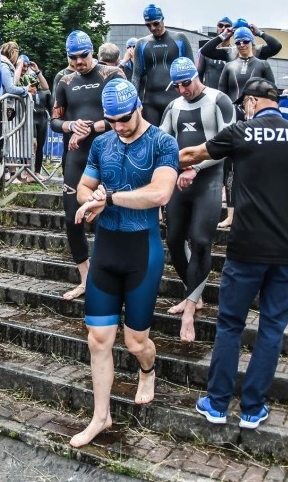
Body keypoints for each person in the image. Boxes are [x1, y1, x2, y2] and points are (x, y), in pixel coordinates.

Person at [181, 77, 288, 430]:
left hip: (247, 248)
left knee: (230, 325)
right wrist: (287, 228)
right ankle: (252, 409)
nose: (244, 109)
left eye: (245, 104)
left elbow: (195, 154)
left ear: (253, 102)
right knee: (272, 329)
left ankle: (216, 403)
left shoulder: (243, 131)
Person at [69, 79, 178, 447]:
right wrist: (92, 196)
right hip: (106, 251)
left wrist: (110, 198)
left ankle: (148, 369)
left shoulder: (163, 143)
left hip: (141, 252)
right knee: (98, 339)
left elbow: (160, 193)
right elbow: (84, 186)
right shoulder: (102, 143)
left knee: (135, 342)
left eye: (124, 118)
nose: (119, 126)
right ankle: (101, 416)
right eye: (112, 120)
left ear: (139, 108)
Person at [159, 58, 234, 342]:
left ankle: (190, 309)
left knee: (201, 241)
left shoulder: (219, 100)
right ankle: (195, 294)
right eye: (176, 85)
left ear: (196, 76)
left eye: (185, 83)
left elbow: (227, 142)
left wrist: (195, 167)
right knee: (175, 240)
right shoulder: (173, 106)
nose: (181, 90)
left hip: (208, 178)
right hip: (181, 178)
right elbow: (162, 141)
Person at [52, 30, 125, 300]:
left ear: (92, 51)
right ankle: (86, 278)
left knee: (111, 216)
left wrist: (91, 127)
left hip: (109, 155)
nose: (79, 62)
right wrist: (71, 126)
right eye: (73, 57)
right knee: (73, 218)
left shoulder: (113, 75)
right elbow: (54, 121)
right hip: (77, 156)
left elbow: (128, 115)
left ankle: (114, 278)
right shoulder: (65, 80)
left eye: (83, 56)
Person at [215, 27, 276, 229]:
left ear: (251, 43)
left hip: (256, 118)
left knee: (257, 164)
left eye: (245, 42)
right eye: (238, 42)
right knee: (230, 168)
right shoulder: (229, 66)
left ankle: (256, 211)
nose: (241, 45)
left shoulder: (262, 64)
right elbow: (222, 96)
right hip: (234, 117)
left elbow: (271, 94)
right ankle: (231, 214)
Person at [132, 4, 194, 126]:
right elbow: (136, 75)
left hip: (176, 99)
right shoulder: (141, 43)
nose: (153, 28)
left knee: (177, 140)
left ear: (162, 19)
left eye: (156, 23)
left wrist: (193, 97)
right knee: (152, 141)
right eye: (148, 25)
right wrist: (134, 102)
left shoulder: (180, 38)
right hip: (151, 102)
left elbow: (192, 72)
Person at [0, 42, 28, 142]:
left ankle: (3, 156)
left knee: (3, 137)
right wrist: (26, 89)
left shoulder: (4, 64)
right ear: (12, 52)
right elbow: (10, 87)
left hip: (1, 106)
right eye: (16, 53)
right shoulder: (4, 65)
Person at [197, 18, 234, 89]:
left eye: (227, 26)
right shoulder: (205, 51)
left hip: (228, 96)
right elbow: (199, 75)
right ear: (217, 29)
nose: (223, 28)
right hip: (210, 95)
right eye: (220, 25)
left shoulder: (234, 52)